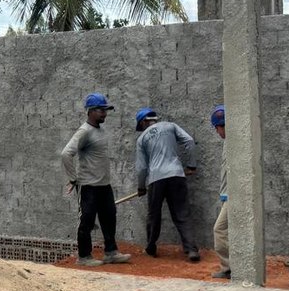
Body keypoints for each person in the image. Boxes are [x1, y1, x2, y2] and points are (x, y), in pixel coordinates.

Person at [60, 93, 130, 267]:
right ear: (90, 111)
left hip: (104, 185)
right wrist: (73, 179)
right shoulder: (84, 131)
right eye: (101, 110)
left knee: (109, 217)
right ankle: (84, 257)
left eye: (106, 110)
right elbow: (66, 154)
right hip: (88, 186)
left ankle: (111, 252)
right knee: (87, 220)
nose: (104, 114)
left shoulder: (100, 130)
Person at [133, 107, 200, 261]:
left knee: (154, 215)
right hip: (176, 174)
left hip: (156, 178)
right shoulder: (171, 126)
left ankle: (151, 247)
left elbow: (142, 167)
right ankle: (191, 250)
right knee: (182, 213)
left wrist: (141, 186)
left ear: (144, 122)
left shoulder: (142, 138)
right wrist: (191, 165)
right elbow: (189, 141)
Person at [209, 105, 230, 279]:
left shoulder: (234, 144)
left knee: (219, 230)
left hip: (233, 197)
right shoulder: (229, 143)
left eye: (218, 128)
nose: (218, 132)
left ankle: (228, 267)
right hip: (228, 195)